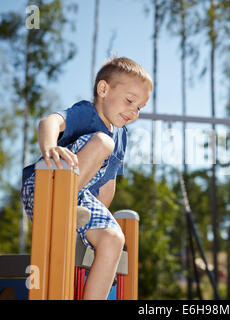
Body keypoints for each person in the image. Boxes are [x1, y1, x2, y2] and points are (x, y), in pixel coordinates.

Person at [21, 57, 153, 299]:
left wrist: (98, 229)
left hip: (81, 203)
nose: (134, 112)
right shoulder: (87, 113)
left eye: (139, 108)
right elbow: (48, 122)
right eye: (129, 101)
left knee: (115, 238)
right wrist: (50, 147)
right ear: (103, 90)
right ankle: (65, 205)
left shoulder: (122, 136)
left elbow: (108, 185)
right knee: (103, 142)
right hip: (47, 185)